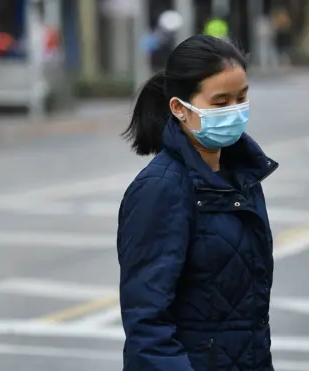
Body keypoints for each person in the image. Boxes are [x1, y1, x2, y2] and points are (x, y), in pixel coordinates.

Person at [118, 35, 277, 371]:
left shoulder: (242, 177)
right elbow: (147, 322)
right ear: (179, 108)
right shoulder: (161, 189)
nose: (234, 110)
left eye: (242, 98)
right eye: (220, 103)